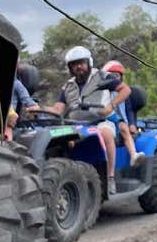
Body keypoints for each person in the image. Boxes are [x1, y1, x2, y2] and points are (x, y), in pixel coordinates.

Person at [38, 46, 131, 195]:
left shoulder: (103, 76)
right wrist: (38, 107)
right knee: (55, 140)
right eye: (74, 64)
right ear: (70, 67)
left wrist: (110, 106)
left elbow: (125, 90)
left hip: (101, 120)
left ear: (89, 62)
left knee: (105, 133)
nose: (78, 67)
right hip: (76, 124)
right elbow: (58, 109)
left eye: (81, 63)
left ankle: (111, 177)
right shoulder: (68, 86)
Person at [101, 60, 145, 166]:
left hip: (121, 121)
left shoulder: (125, 92)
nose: (115, 78)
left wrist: (132, 124)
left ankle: (133, 155)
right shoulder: (103, 92)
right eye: (112, 76)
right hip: (108, 120)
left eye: (117, 76)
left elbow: (129, 110)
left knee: (125, 128)